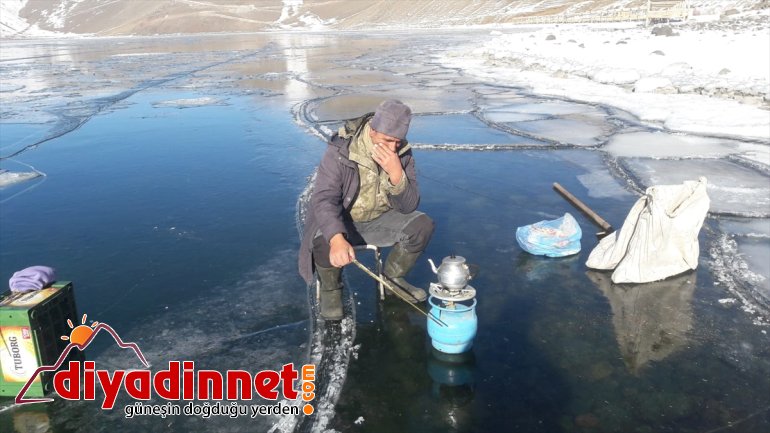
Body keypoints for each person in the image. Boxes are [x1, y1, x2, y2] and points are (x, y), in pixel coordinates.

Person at [298, 99, 435, 320]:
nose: (392, 148)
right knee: (323, 241)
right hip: (343, 220)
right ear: (372, 131)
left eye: (397, 142)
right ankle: (331, 290)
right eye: (387, 140)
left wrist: (396, 173)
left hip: (379, 218)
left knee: (422, 226)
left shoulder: (402, 153)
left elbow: (409, 206)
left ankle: (393, 279)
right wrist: (337, 238)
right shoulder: (340, 150)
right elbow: (324, 199)